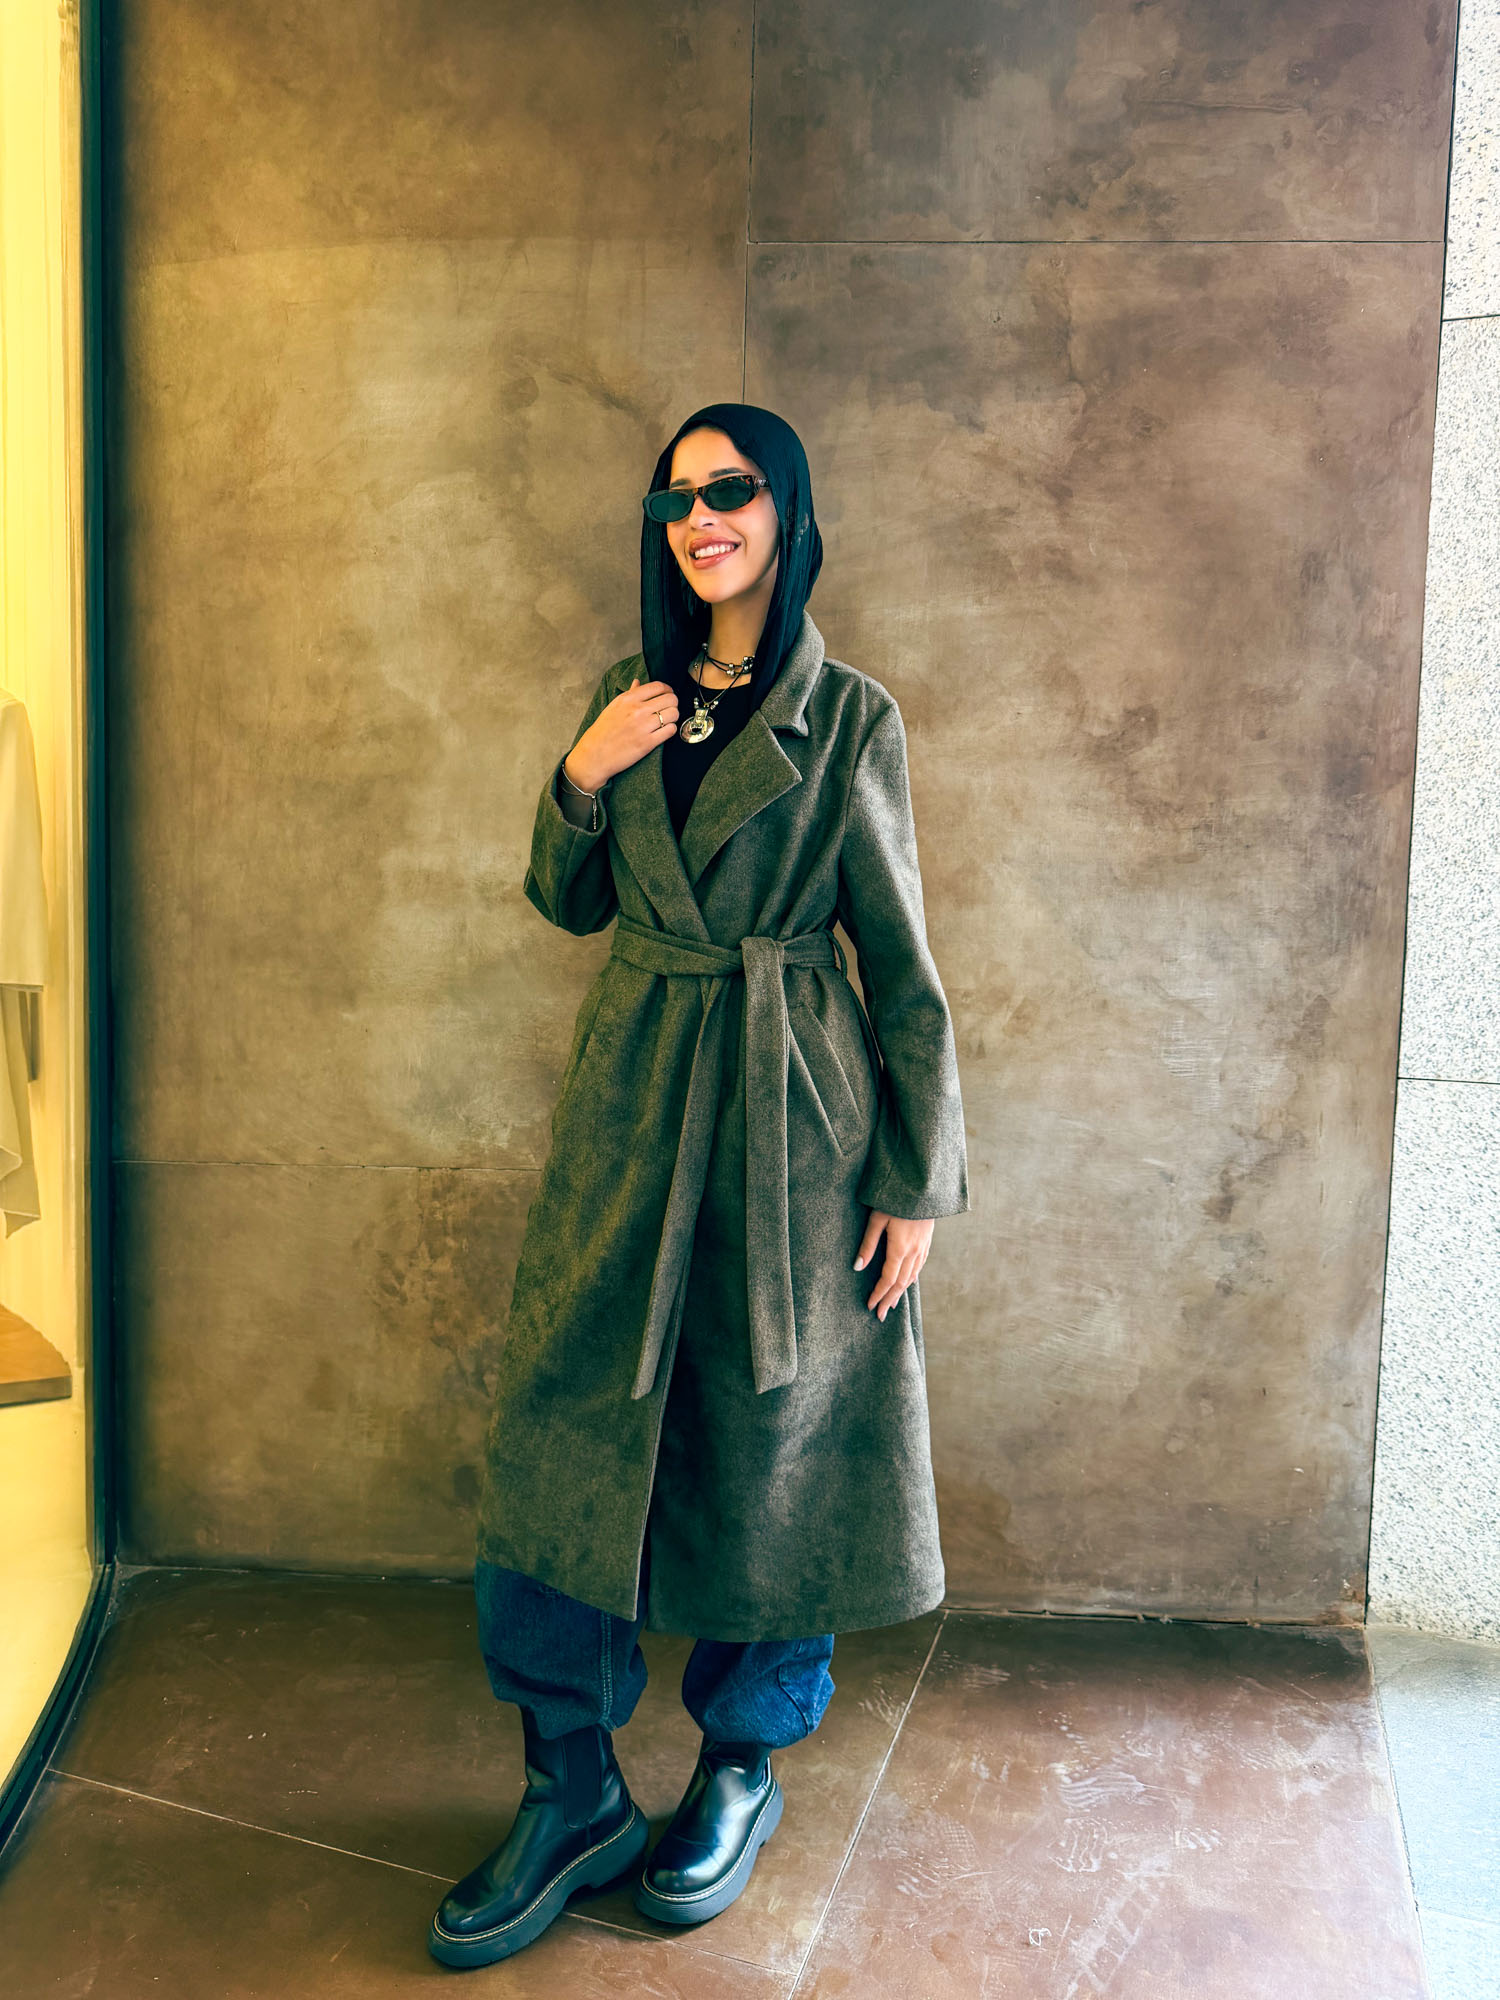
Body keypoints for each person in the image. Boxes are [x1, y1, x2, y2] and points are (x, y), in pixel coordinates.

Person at [429, 403, 969, 1969]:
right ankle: (572, 1786)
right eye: (676, 499)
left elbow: (902, 965)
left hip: (792, 1114)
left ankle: (741, 1766)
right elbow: (568, 899)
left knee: (777, 1430)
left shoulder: (848, 718)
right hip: (632, 1096)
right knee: (564, 1418)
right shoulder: (631, 694)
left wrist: (915, 1176)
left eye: (729, 490)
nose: (700, 518)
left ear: (786, 511)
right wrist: (581, 774)